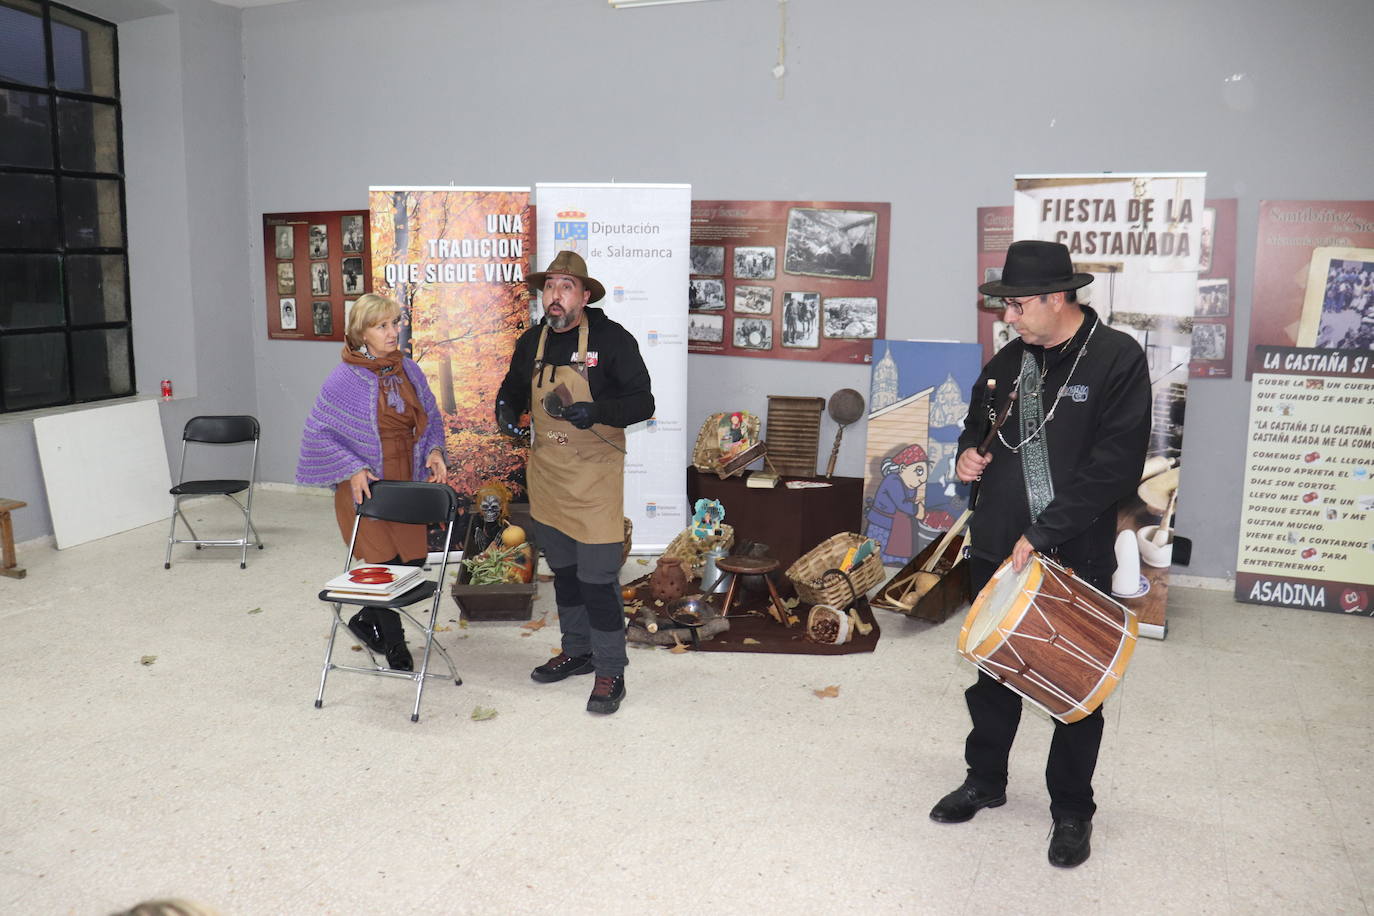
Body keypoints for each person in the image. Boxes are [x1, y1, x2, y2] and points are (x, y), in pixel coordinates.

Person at [928, 240, 1151, 868]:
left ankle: (1073, 811)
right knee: (994, 675)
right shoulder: (1011, 359)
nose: (1008, 316)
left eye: (1017, 305)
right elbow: (980, 422)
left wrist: (1044, 531)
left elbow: (1114, 468)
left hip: (1070, 548)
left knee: (1073, 681)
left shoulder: (1116, 360)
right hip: (997, 544)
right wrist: (968, 455)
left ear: (1057, 299)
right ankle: (985, 781)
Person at [495, 251, 654, 715]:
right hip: (548, 474)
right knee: (564, 573)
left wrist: (598, 410)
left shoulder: (612, 339)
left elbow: (643, 402)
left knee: (598, 578)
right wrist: (505, 412)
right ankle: (578, 650)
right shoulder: (531, 341)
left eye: (566, 287)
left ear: (584, 296)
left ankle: (610, 670)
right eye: (549, 287)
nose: (555, 296)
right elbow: (511, 388)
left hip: (594, 478)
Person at [296, 292, 448, 671]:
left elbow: (430, 418)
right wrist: (351, 467)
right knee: (383, 564)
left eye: (395, 323)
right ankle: (396, 646)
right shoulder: (343, 378)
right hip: (367, 485)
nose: (393, 331)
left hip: (407, 476)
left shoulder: (409, 370)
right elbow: (318, 433)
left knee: (411, 562)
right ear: (362, 333)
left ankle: (365, 620)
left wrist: (434, 452)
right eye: (383, 326)